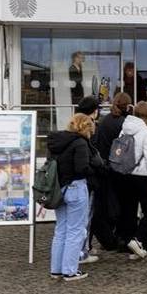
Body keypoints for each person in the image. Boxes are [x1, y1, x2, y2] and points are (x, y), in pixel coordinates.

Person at [47, 113, 103, 281]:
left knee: (61, 230)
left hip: (59, 188)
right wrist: (94, 170)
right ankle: (70, 270)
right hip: (76, 188)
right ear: (85, 128)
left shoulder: (55, 142)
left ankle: (56, 269)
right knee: (76, 231)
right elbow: (81, 168)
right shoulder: (80, 143)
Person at [115, 101, 147, 260]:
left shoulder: (124, 130)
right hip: (142, 176)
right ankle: (138, 239)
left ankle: (130, 244)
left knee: (129, 210)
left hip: (124, 175)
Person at [89, 92, 133, 253]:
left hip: (105, 166)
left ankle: (106, 238)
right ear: (127, 106)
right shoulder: (124, 123)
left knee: (105, 205)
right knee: (118, 205)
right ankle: (115, 237)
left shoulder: (105, 120)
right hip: (118, 168)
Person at [75, 96, 104, 263]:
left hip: (72, 180)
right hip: (88, 180)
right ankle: (82, 252)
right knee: (84, 218)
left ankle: (80, 250)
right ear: (94, 111)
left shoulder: (72, 126)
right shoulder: (90, 130)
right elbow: (93, 156)